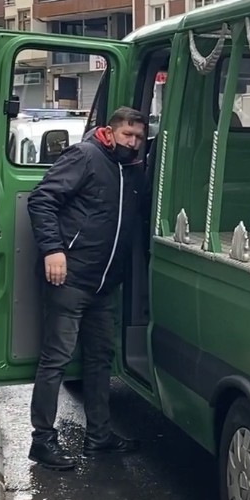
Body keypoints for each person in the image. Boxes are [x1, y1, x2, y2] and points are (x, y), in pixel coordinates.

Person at [24, 106, 149, 470]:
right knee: (56, 359)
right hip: (71, 278)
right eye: (128, 135)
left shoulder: (132, 170)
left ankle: (99, 435)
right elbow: (41, 199)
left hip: (105, 283)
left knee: (99, 360)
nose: (134, 143)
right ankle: (42, 439)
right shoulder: (84, 156)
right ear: (109, 132)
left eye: (139, 137)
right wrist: (53, 250)